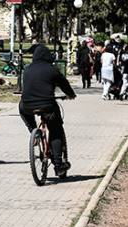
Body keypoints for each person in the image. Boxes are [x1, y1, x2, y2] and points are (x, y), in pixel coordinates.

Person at [19, 44, 76, 178]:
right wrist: (71, 95)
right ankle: (58, 165)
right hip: (47, 106)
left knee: (22, 109)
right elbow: (64, 84)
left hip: (27, 106)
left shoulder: (27, 70)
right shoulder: (52, 70)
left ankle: (34, 131)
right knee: (56, 129)